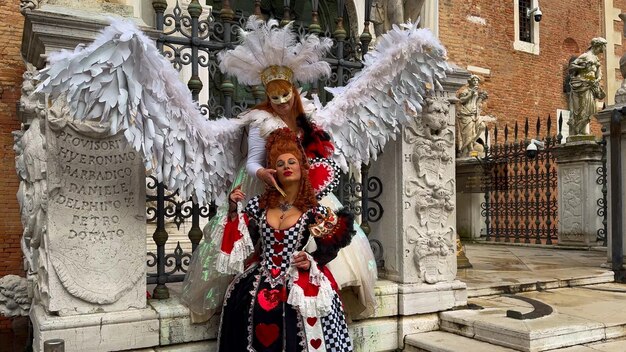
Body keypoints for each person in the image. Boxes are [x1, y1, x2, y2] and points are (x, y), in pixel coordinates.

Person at [217, 128, 354, 351]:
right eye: (280, 164)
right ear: (273, 172)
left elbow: (329, 249)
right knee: (247, 312)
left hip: (298, 283)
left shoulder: (314, 211)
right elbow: (243, 244)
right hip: (260, 277)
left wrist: (311, 261)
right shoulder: (258, 206)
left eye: (292, 162)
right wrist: (233, 210)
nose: (286, 167)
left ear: (302, 168)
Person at [568, 37, 607, 135]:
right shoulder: (585, 56)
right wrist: (582, 67)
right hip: (581, 83)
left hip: (591, 85)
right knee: (581, 109)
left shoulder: (596, 58)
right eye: (603, 46)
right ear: (597, 46)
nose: (603, 49)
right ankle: (578, 131)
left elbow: (599, 73)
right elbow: (572, 66)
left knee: (589, 110)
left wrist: (597, 79)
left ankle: (583, 130)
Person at [456, 74, 489, 157]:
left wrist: (481, 97)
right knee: (468, 133)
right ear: (470, 81)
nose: (475, 82)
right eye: (474, 80)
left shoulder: (476, 91)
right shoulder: (466, 91)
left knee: (482, 126)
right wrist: (470, 93)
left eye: (477, 80)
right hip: (466, 113)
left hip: (474, 113)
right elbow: (461, 100)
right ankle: (469, 149)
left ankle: (473, 141)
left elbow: (476, 102)